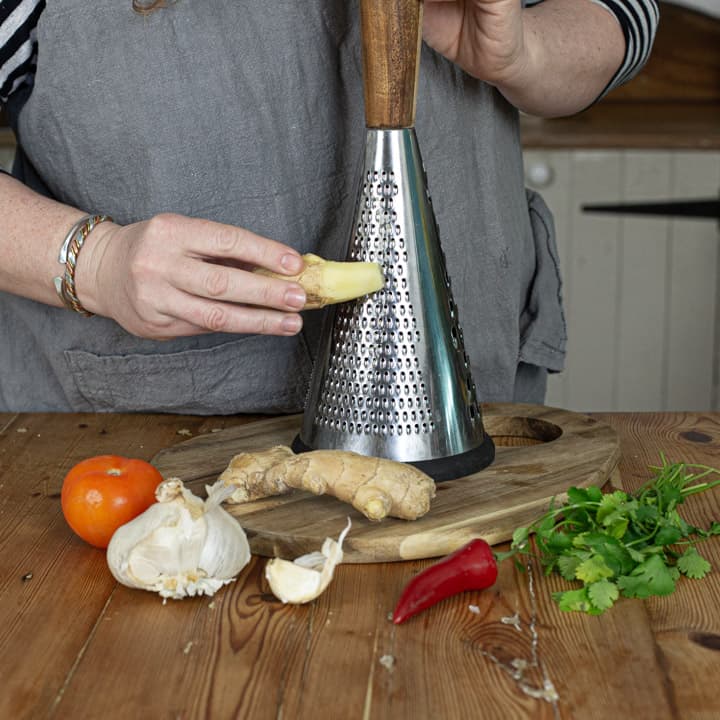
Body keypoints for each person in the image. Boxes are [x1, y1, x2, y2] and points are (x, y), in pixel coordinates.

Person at [0, 0, 658, 413]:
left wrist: (527, 49)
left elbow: (622, 14)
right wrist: (95, 261)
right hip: (137, 449)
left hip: (463, 410)